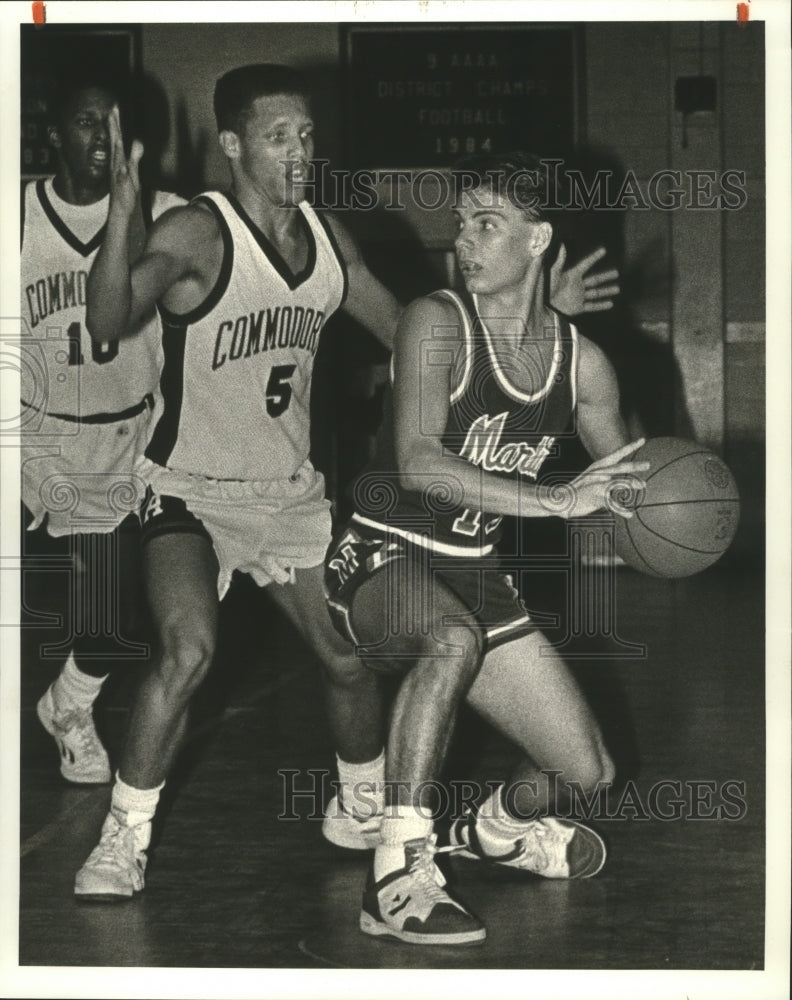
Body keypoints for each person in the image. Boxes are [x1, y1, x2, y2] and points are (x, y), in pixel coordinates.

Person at [75, 64, 620, 900]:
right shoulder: (197, 232)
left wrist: (532, 311)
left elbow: (418, 332)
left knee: (349, 664)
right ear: (232, 147)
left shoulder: (329, 241)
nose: (301, 151)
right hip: (189, 486)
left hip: (288, 496)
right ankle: (123, 838)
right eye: (278, 136)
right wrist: (120, 216)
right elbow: (109, 321)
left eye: (308, 135)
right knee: (189, 650)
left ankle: (363, 809)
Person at [323, 152, 650, 945]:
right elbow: (420, 462)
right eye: (462, 223)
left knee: (588, 774)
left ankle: (496, 831)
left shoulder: (583, 364)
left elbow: (633, 485)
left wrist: (663, 509)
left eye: (486, 223)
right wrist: (553, 499)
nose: (461, 241)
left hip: (475, 574)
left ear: (539, 240)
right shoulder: (435, 321)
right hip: (379, 555)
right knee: (449, 639)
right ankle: (396, 874)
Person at [21, 72, 183, 785]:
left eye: (117, 123)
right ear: (52, 132)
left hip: (123, 437)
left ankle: (69, 703)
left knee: (112, 621)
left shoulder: (171, 217)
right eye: (88, 121)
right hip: (29, 432)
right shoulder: (14, 217)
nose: (104, 140)